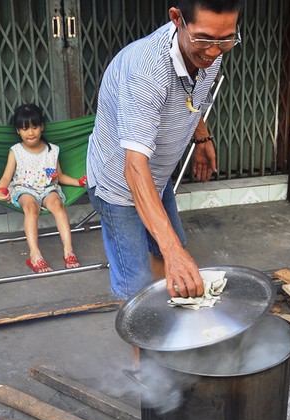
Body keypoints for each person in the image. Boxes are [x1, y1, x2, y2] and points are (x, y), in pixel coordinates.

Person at [86, 0, 241, 300]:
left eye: (226, 40)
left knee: (170, 251)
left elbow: (192, 96)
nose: (213, 51)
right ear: (176, 18)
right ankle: (145, 340)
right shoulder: (146, 71)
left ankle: (169, 327)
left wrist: (202, 138)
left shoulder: (211, 52)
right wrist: (173, 251)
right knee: (137, 288)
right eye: (205, 39)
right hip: (119, 183)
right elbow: (133, 168)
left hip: (157, 175)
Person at [0, 103, 87, 273]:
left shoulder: (52, 151)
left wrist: (78, 182)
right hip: (24, 189)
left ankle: (68, 251)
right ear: (17, 131)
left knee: (58, 205)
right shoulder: (16, 151)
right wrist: (0, 190)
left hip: (47, 188)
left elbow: (59, 175)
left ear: (42, 127)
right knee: (31, 208)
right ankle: (34, 254)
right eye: (25, 128)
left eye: (34, 127)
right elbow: (7, 177)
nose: (30, 132)